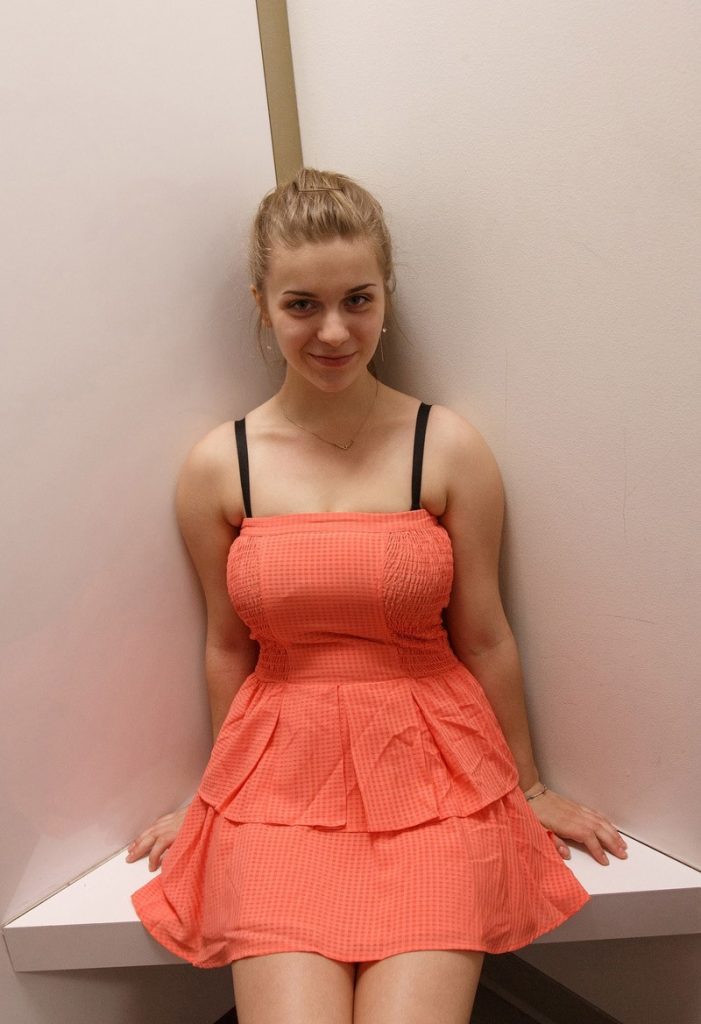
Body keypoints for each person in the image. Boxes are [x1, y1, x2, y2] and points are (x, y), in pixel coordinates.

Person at [128, 167, 628, 1023]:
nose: (333, 331)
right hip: (277, 780)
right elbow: (225, 645)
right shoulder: (219, 464)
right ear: (262, 305)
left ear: (385, 295)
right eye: (301, 305)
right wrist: (216, 795)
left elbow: (484, 636)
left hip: (434, 770)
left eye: (356, 300)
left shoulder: (447, 445)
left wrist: (529, 784)